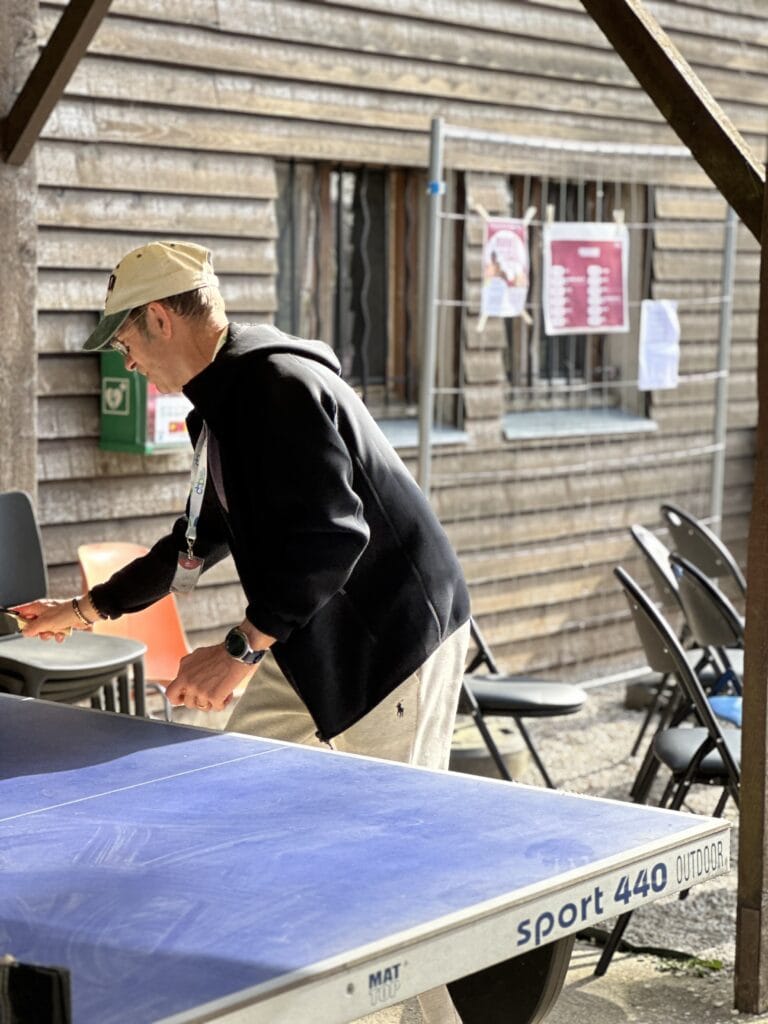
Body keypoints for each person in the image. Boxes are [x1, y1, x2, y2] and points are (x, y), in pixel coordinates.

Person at [18, 240, 471, 1023]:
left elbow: (336, 537)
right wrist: (83, 610)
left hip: (387, 645)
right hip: (309, 640)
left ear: (159, 317)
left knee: (375, 873)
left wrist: (236, 650)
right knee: (254, 815)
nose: (125, 362)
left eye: (125, 342)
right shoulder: (225, 403)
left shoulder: (274, 389)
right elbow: (193, 538)